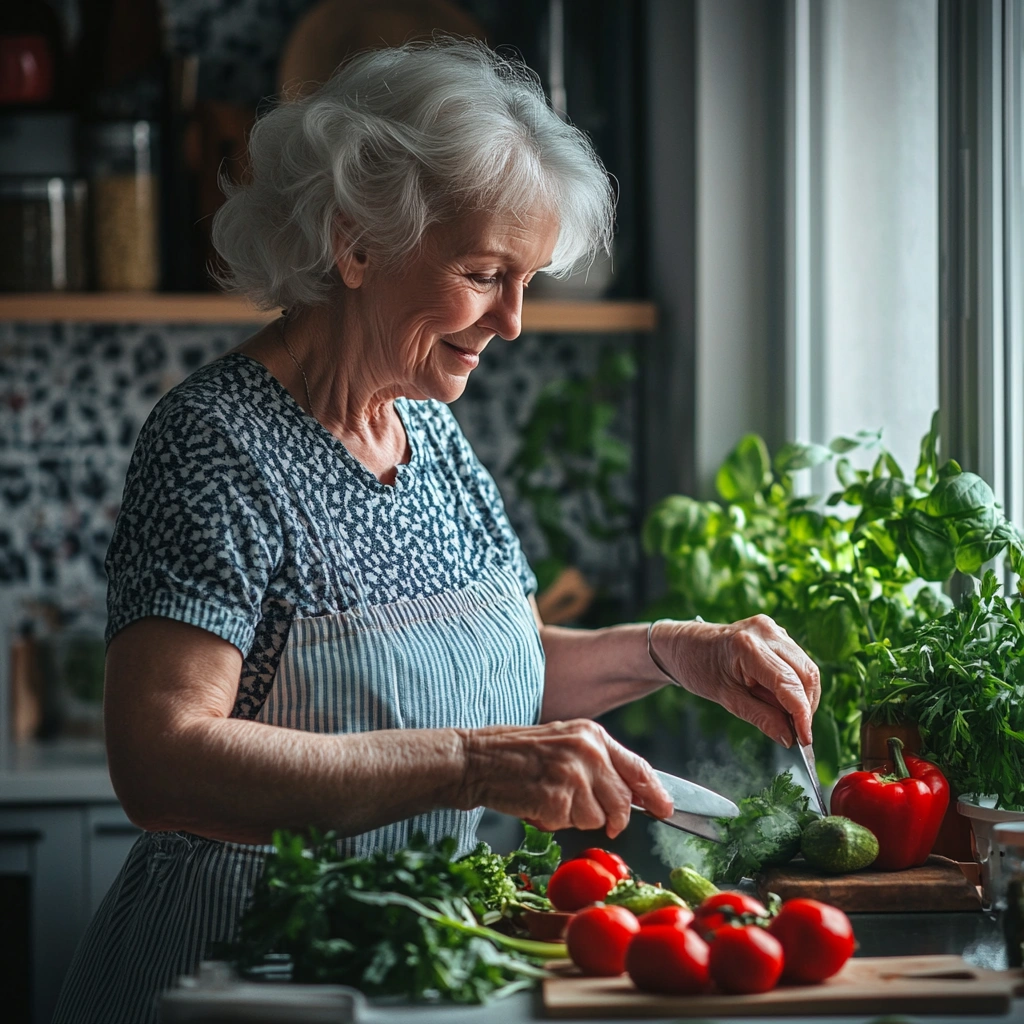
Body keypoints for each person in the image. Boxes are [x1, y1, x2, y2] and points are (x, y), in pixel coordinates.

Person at [53, 38, 819, 1023]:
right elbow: (160, 761)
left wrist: (675, 652)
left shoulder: (425, 427)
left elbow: (496, 668)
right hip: (235, 978)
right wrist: (471, 764)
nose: (512, 322)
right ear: (357, 242)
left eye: (527, 280)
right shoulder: (215, 441)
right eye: (485, 272)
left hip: (403, 965)